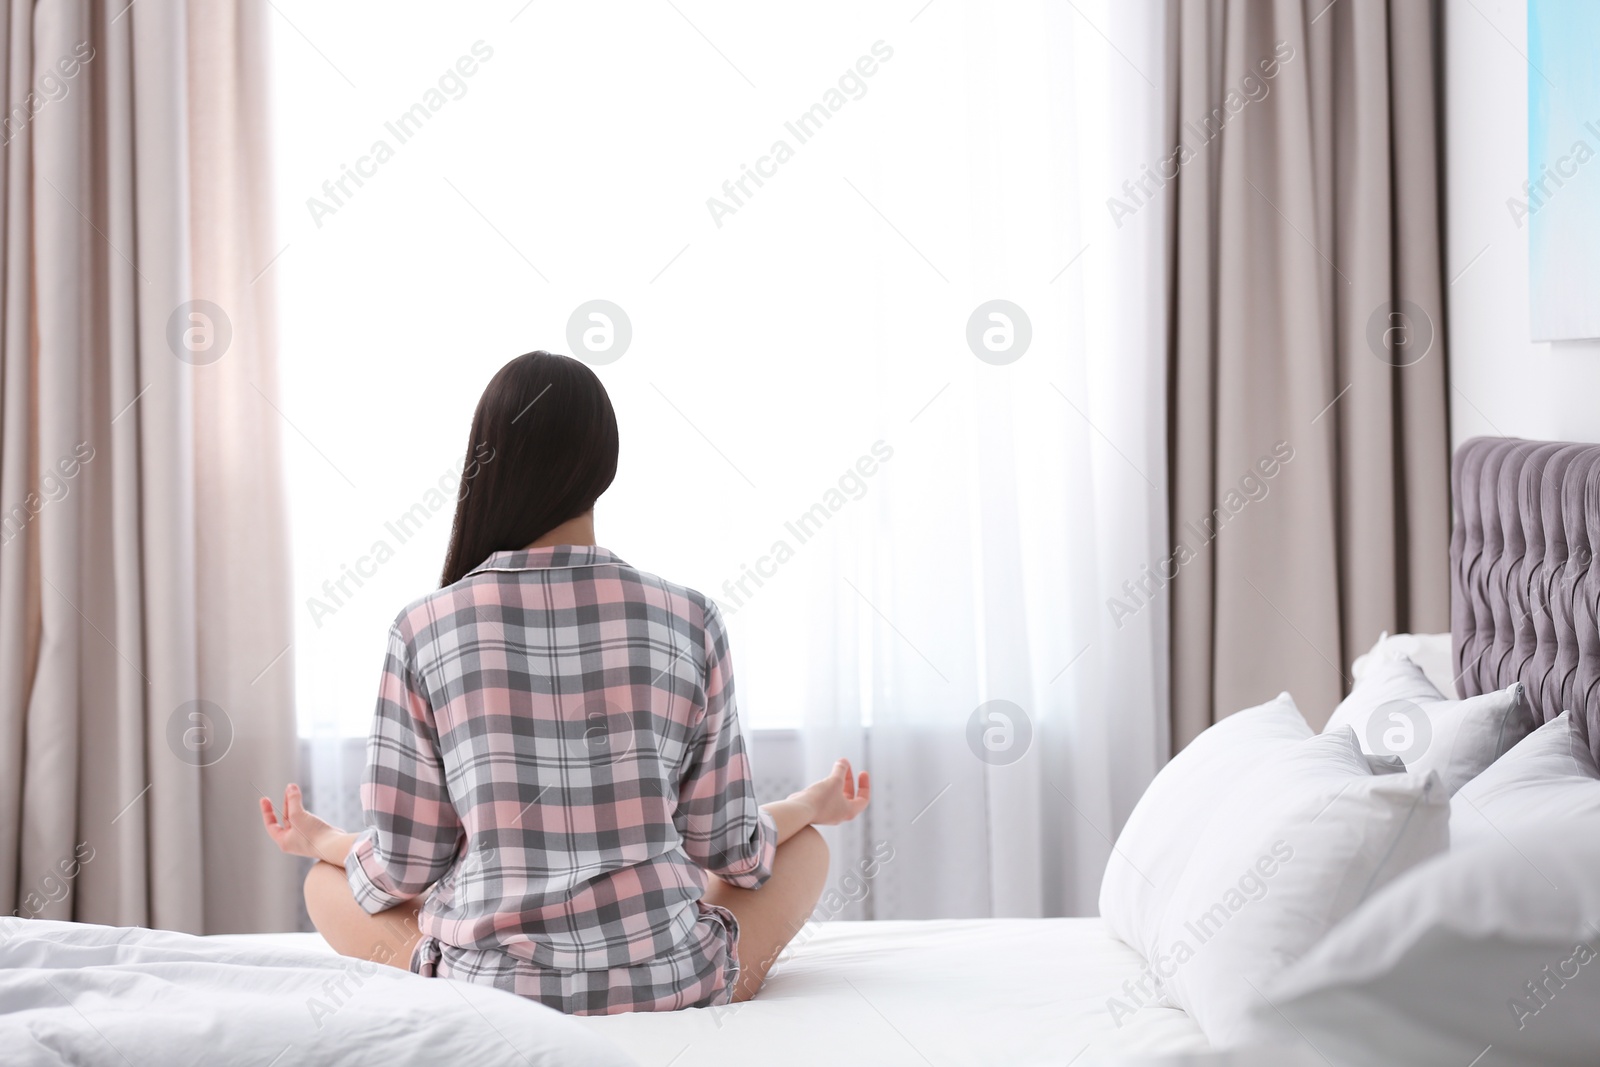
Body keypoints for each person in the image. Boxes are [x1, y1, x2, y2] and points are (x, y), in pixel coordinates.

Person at [260, 350, 870, 1015]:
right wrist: (810, 805)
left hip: (491, 994)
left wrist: (322, 842)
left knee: (326, 885)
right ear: (604, 464)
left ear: (485, 458)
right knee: (803, 848)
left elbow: (404, 867)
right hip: (668, 983)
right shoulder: (690, 618)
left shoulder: (422, 627)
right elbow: (730, 849)